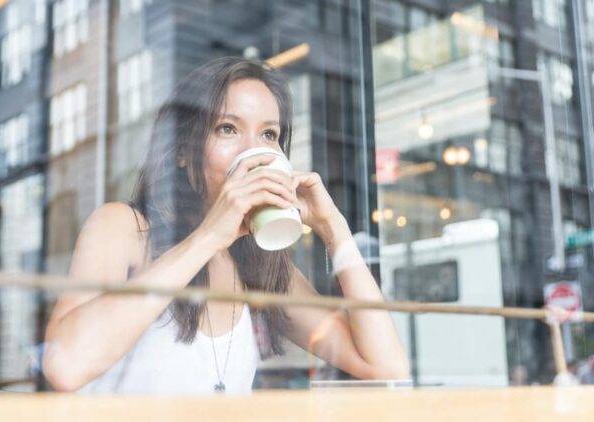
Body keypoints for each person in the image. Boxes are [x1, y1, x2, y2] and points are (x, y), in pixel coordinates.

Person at [42, 57, 409, 394]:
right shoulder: (124, 227)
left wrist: (334, 229)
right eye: (228, 128)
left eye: (269, 135)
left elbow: (385, 366)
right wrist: (210, 235)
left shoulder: (263, 266)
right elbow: (65, 366)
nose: (255, 152)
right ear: (184, 152)